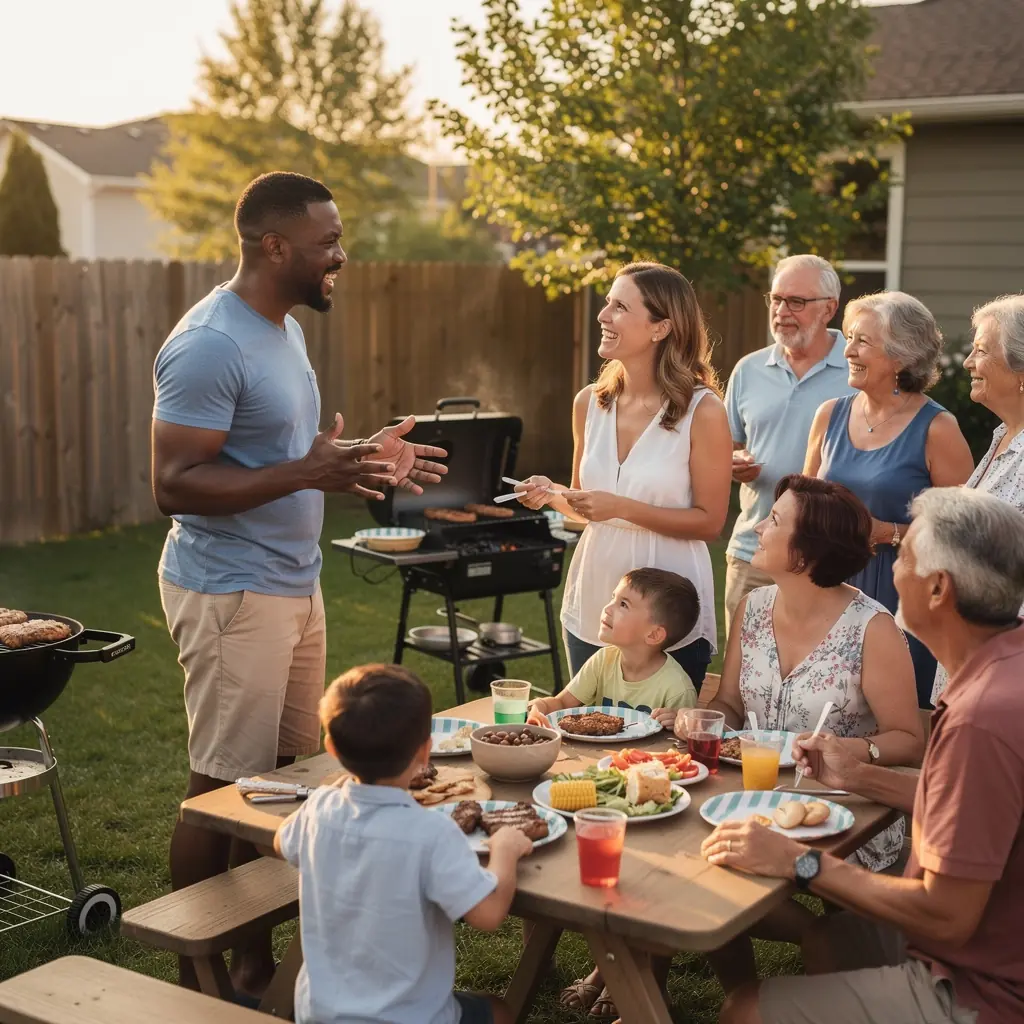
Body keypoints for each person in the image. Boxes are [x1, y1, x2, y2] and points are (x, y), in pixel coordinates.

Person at [152, 172, 448, 995]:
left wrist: (347, 467)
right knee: (220, 785)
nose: (341, 256)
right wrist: (305, 470)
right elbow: (174, 483)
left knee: (285, 779)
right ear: (273, 246)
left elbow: (275, 462)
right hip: (232, 591)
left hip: (293, 584)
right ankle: (194, 977)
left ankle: (255, 961)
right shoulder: (210, 341)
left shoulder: (282, 330)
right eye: (327, 243)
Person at [705, 488, 1024, 1024]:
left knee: (745, 1012)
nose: (889, 567)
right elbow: (969, 806)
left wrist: (799, 862)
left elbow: (946, 918)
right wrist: (861, 777)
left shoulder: (980, 717)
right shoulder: (1001, 672)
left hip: (981, 990)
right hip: (985, 958)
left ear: (939, 588)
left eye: (903, 557)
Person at [515, 262, 733, 691]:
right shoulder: (589, 403)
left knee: (661, 750)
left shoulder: (703, 412)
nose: (603, 315)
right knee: (584, 736)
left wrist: (622, 508)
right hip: (596, 601)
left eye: (619, 306)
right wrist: (553, 495)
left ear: (661, 328)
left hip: (666, 612)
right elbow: (585, 507)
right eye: (607, 304)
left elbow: (710, 522)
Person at [275, 664, 532, 1024]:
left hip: (320, 1014)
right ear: (425, 752)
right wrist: (504, 850)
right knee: (501, 1012)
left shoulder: (318, 811)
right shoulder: (431, 833)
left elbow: (280, 840)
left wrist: (326, 796)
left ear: (331, 747)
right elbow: (488, 915)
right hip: (412, 1017)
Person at [706, 474, 923, 876]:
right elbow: (730, 703)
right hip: (753, 804)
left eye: (772, 520)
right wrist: (704, 723)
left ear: (806, 554)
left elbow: (909, 741)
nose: (757, 527)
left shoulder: (873, 628)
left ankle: (820, 936)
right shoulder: (751, 607)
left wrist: (846, 751)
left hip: (841, 816)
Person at [805, 291, 974, 706]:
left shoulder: (938, 428)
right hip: (829, 587)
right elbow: (803, 502)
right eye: (850, 338)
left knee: (894, 716)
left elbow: (967, 531)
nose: (848, 350)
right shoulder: (829, 414)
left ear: (900, 358)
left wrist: (891, 533)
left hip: (904, 597)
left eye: (862, 341)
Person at [722, 255, 853, 639]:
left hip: (829, 555)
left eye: (796, 301)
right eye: (776, 299)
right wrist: (733, 463)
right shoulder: (748, 369)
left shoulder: (858, 368)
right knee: (743, 676)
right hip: (754, 550)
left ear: (829, 308)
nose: (781, 311)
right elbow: (726, 447)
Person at [932, 295, 1024, 704]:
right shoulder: (1002, 436)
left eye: (982, 351)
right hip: (971, 644)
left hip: (1005, 659)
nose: (968, 362)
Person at [528, 568, 699, 729]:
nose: (607, 609)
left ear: (654, 635)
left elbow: (682, 744)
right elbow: (562, 704)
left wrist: (676, 722)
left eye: (623, 605)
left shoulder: (677, 688)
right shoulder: (604, 660)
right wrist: (540, 706)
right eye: (613, 598)